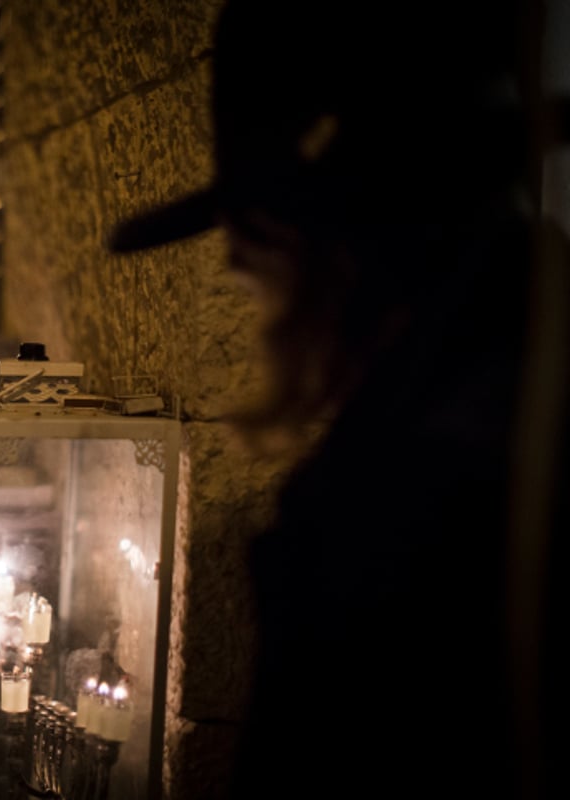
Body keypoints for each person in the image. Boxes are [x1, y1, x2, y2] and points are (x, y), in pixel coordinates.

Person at [109, 1, 564, 799]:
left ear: (290, 235)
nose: (236, 265)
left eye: (246, 234)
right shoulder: (515, 368)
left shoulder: (414, 477)